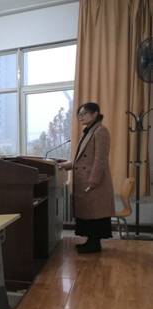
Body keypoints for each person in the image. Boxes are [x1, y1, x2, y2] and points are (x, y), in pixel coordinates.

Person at [59, 102, 115, 253]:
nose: (80, 117)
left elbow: (100, 159)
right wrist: (66, 165)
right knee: (89, 213)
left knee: (95, 214)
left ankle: (94, 244)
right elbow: (82, 160)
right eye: (79, 115)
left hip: (94, 181)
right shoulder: (90, 131)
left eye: (84, 114)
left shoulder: (101, 131)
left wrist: (93, 181)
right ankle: (91, 242)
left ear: (95, 113)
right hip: (86, 179)